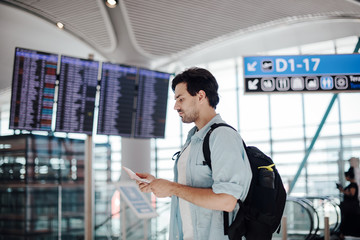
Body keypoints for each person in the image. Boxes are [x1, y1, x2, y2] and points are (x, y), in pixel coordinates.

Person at [136, 67, 252, 240]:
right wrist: (158, 185)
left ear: (200, 96)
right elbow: (189, 189)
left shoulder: (222, 136)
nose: (176, 106)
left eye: (181, 99)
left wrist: (172, 188)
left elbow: (226, 201)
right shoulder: (193, 139)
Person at [337, 166, 360, 239]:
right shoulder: (352, 184)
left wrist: (343, 191)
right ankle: (343, 235)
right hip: (350, 208)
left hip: (351, 208)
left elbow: (352, 194)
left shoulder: (353, 185)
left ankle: (343, 235)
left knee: (348, 222)